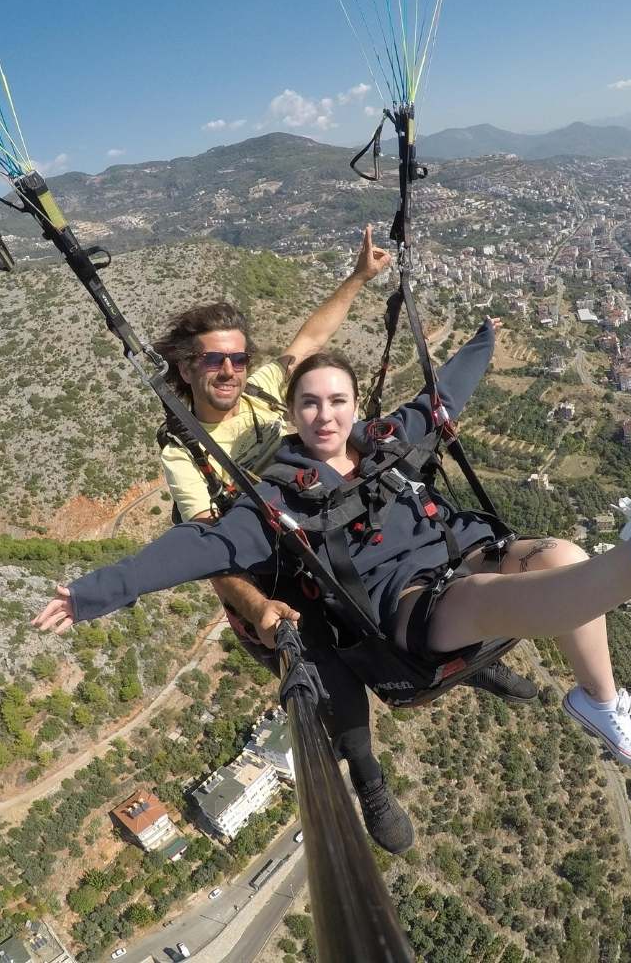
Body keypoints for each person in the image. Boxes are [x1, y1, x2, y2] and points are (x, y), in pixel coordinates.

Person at [36, 319, 631, 851]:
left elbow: (442, 397)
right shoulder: (277, 503)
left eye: (337, 400)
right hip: (413, 615)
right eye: (309, 404)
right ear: (294, 416)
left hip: (468, 557)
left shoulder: (387, 442)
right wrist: (93, 594)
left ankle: (601, 701)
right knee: (490, 601)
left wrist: (484, 340)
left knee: (563, 553)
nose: (325, 415)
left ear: (352, 405)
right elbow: (197, 548)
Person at [145, 230, 532, 849]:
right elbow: (211, 545)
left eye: (236, 359)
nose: (227, 371)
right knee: (325, 661)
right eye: (211, 361)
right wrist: (259, 609)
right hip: (271, 553)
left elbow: (312, 340)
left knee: (423, 532)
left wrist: (357, 277)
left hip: (328, 505)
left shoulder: (266, 387)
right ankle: (369, 779)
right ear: (185, 368)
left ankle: (463, 658)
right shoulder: (184, 450)